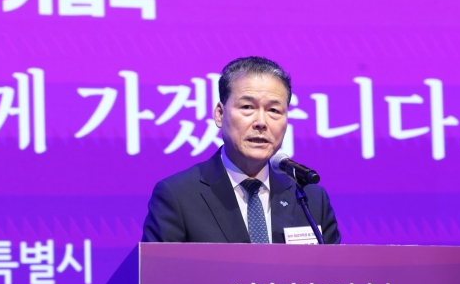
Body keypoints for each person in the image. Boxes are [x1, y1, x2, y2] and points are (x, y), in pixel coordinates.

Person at [141, 57, 341, 244]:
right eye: (247, 107)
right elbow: (159, 277)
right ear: (220, 114)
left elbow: (334, 277)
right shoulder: (178, 195)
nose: (261, 122)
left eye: (274, 110)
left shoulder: (310, 200)